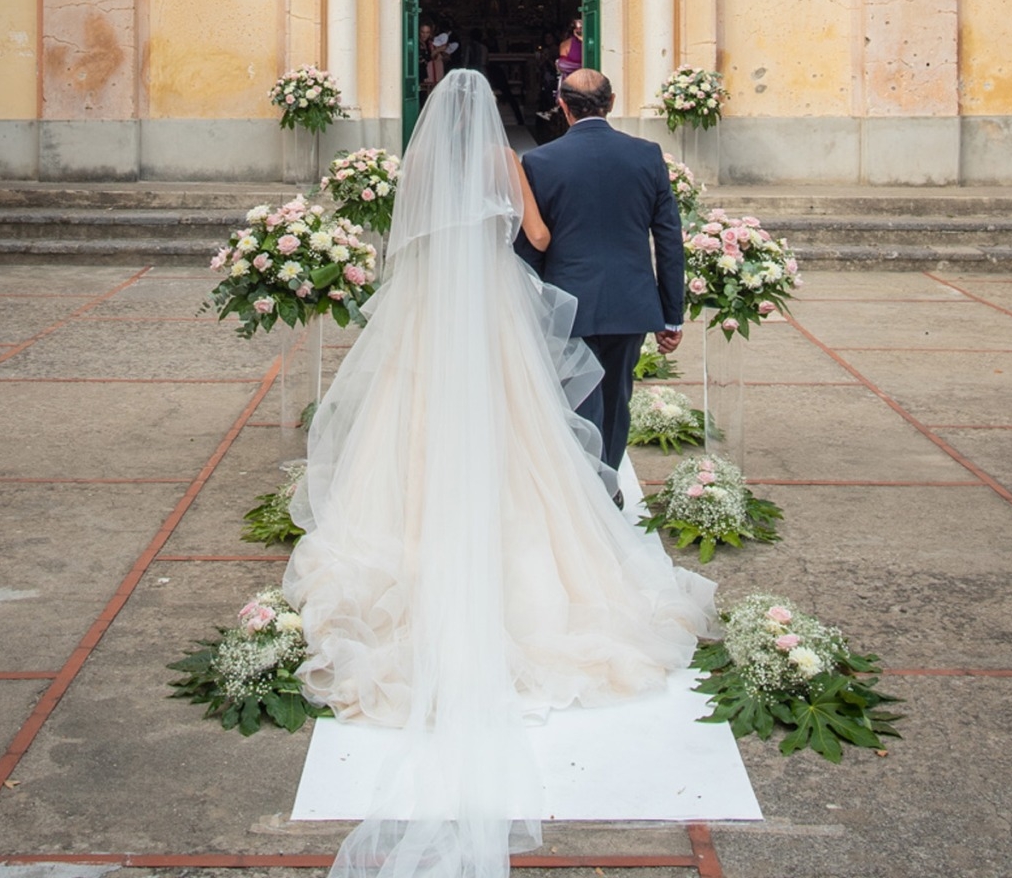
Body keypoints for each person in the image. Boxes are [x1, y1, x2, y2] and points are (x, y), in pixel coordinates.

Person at [284, 69, 714, 878]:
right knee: (543, 424)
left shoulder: (428, 173)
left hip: (426, 321)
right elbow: (539, 242)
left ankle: (420, 522)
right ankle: (581, 503)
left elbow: (422, 248)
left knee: (412, 423)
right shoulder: (514, 162)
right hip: (511, 312)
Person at [515, 68, 684, 473]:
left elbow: (532, 245)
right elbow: (668, 239)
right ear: (611, 103)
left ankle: (585, 485)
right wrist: (671, 314)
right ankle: (607, 483)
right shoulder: (647, 154)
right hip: (631, 298)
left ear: (562, 106)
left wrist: (534, 301)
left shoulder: (539, 161)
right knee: (616, 395)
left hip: (567, 299)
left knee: (575, 396)